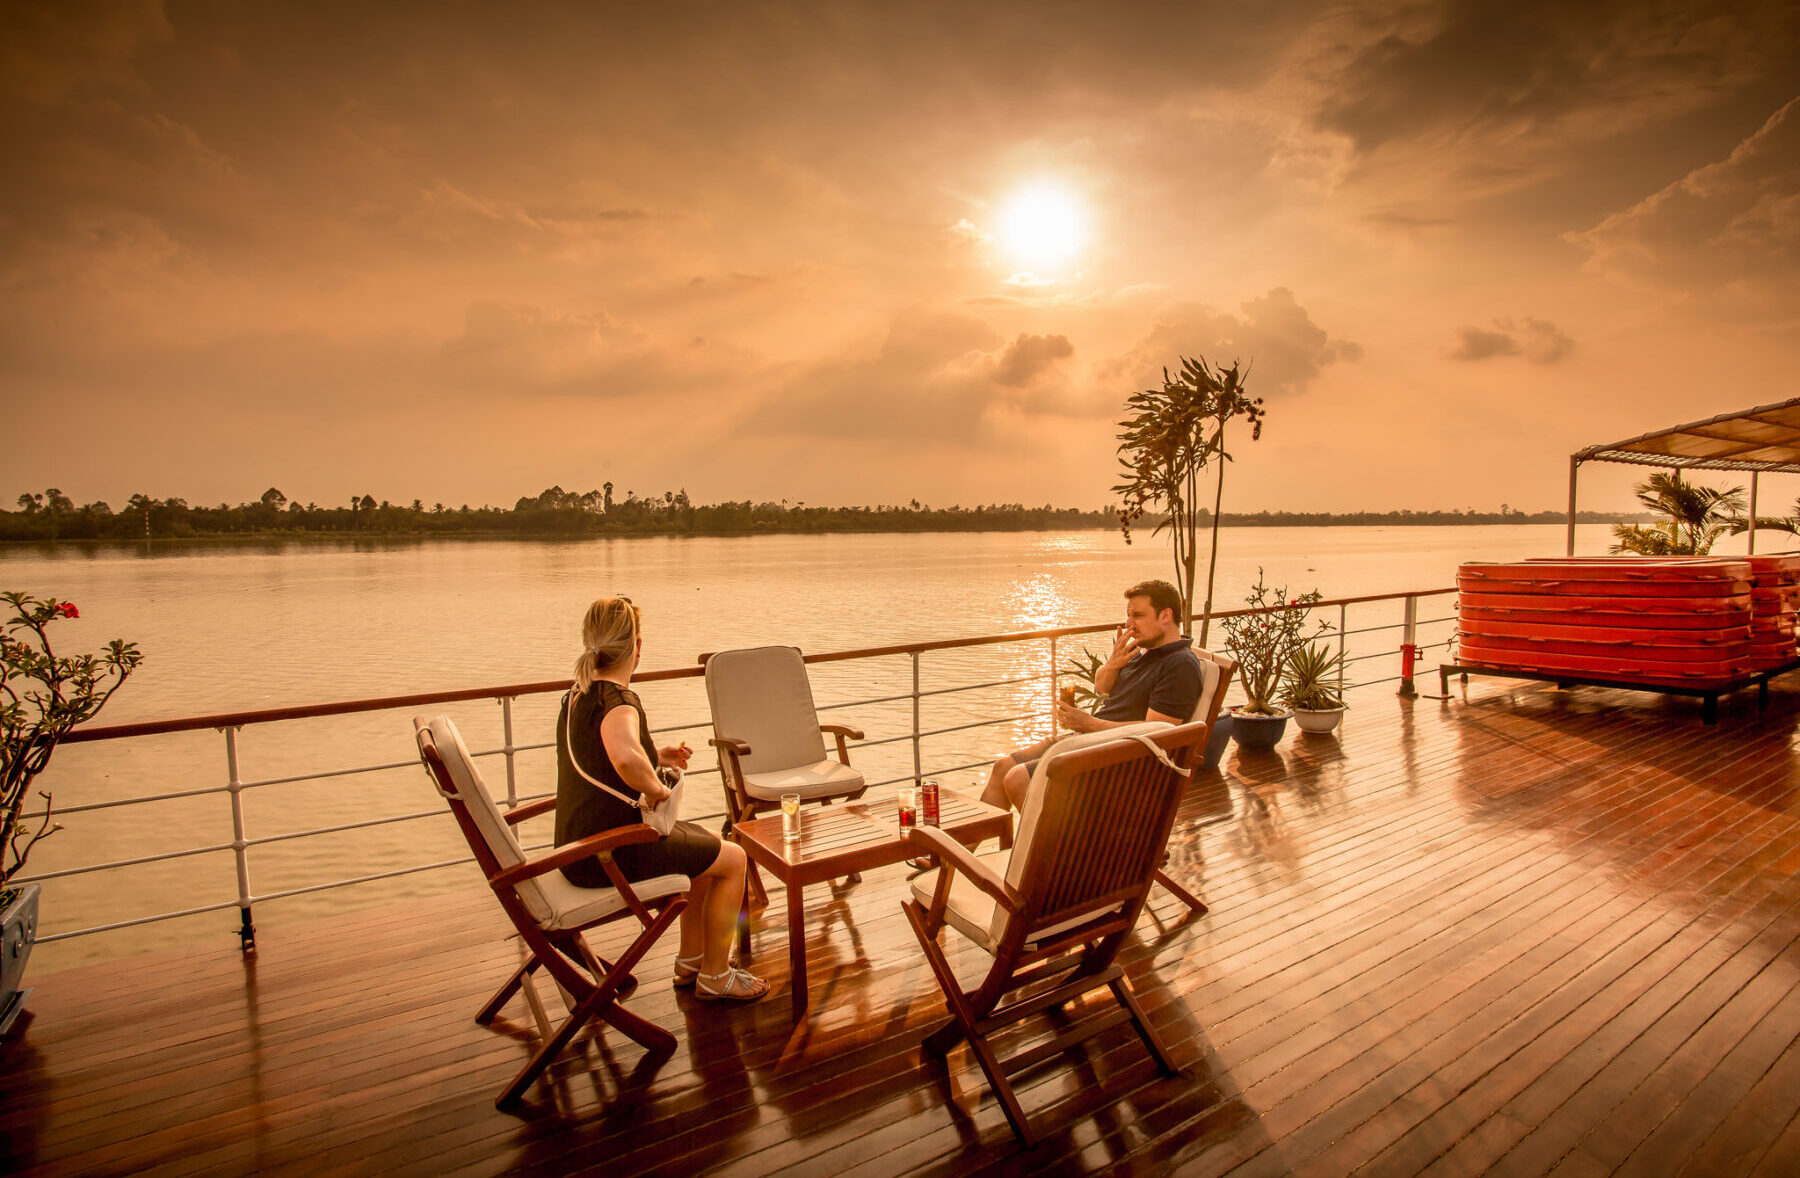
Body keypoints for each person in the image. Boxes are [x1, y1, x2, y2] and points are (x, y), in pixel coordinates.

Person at [555, 595, 768, 1002]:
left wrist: (657, 756)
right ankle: (716, 976)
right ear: (636, 646)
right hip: (610, 855)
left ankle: (692, 961)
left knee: (704, 848)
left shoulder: (577, 696)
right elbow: (621, 755)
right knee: (734, 858)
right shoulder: (620, 701)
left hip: (576, 849)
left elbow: (601, 752)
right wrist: (658, 789)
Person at [981, 579, 1204, 813]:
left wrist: (1090, 724)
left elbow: (1160, 732)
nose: (1129, 624)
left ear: (1165, 616)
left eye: (1137, 615)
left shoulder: (1179, 665)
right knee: (1003, 767)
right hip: (1090, 738)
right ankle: (958, 850)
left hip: (1116, 757)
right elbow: (1101, 687)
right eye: (1128, 615)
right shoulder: (1143, 651)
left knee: (1017, 779)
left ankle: (1058, 848)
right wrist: (1113, 664)